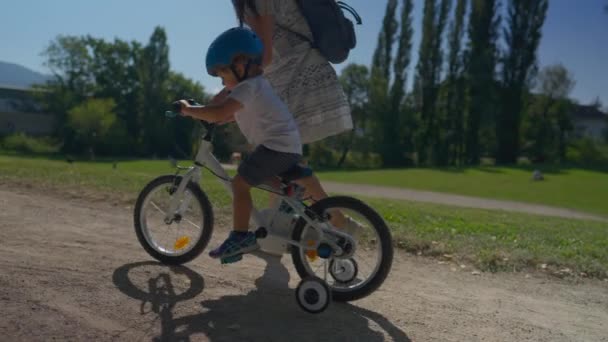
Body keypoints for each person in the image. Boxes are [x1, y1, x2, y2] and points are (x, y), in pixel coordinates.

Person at [177, 27, 304, 261]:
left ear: (240, 63)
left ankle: (240, 236)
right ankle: (289, 190)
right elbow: (225, 115)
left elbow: (219, 113)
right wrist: (208, 113)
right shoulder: (255, 86)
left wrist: (188, 110)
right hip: (286, 147)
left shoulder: (248, 87)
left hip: (277, 147)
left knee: (240, 183)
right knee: (252, 170)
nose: (223, 82)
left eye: (223, 74)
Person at [225, 0, 353, 205]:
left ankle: (325, 223)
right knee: (283, 160)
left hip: (298, 76)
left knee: (278, 155)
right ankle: (327, 221)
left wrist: (231, 92)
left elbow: (264, 56)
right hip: (285, 76)